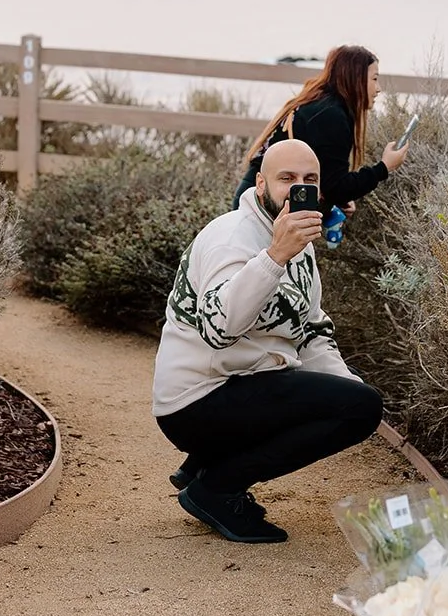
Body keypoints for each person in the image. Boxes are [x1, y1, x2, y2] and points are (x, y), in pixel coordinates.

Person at [152, 138, 384, 545]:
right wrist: (275, 256)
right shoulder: (234, 238)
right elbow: (219, 331)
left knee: (357, 398)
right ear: (261, 184)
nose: (299, 187)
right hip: (196, 400)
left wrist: (348, 388)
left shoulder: (299, 240)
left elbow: (312, 329)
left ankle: (207, 464)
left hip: (247, 383)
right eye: (287, 179)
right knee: (358, 407)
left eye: (309, 179)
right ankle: (216, 487)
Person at [233, 44, 408, 214]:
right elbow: (336, 188)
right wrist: (384, 167)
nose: (378, 89)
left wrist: (339, 199)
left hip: (257, 198)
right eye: (375, 79)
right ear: (356, 77)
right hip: (263, 205)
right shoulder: (331, 116)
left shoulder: (322, 105)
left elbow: (328, 181)